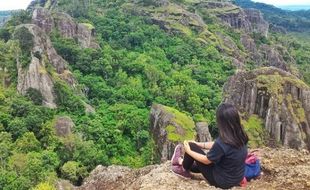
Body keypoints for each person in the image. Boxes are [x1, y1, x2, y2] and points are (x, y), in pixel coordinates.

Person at [171, 103, 249, 189]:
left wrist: (189, 150)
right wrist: (199, 144)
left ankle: (183, 169)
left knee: (191, 145)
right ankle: (181, 161)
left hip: (221, 181)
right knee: (197, 157)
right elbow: (219, 145)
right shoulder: (240, 135)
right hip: (236, 177)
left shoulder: (222, 142)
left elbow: (206, 161)